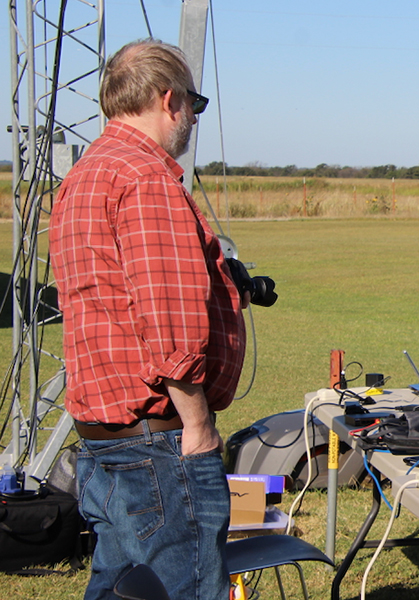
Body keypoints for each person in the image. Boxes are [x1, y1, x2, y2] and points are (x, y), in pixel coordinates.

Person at [48, 39, 246, 600]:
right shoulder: (147, 179)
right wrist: (199, 425)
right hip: (157, 441)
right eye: (194, 104)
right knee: (188, 586)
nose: (192, 118)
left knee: (119, 589)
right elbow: (168, 318)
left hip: (102, 441)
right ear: (169, 100)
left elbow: (113, 301)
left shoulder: (85, 176)